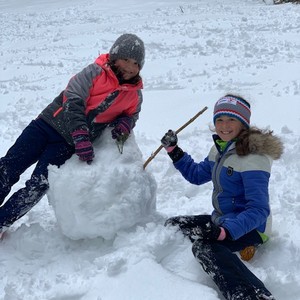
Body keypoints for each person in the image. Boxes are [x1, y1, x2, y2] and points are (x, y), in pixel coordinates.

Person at [0, 33, 145, 237]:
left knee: (39, 185)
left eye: (136, 63)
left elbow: (132, 115)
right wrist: (81, 135)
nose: (130, 67)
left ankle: (2, 221)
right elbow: (73, 99)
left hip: (66, 145)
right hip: (45, 126)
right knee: (9, 166)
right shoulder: (95, 72)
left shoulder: (134, 95)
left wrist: (125, 122)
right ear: (114, 56)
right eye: (126, 59)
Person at [161, 94, 283, 300]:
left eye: (231, 119)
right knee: (175, 225)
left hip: (252, 227)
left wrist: (225, 232)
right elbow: (197, 175)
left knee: (205, 247)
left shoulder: (253, 158)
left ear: (244, 123)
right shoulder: (220, 149)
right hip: (223, 220)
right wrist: (175, 151)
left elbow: (259, 210)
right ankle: (236, 246)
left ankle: (251, 294)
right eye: (219, 120)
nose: (224, 126)